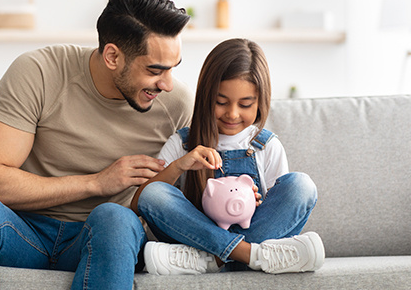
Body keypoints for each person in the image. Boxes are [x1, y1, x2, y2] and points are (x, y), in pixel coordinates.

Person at [0, 0, 193, 290]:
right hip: (22, 231)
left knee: (117, 218)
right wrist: (97, 182)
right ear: (112, 56)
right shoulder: (39, 72)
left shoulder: (177, 105)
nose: (166, 83)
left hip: (101, 237)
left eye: (173, 68)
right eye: (155, 70)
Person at [130, 38, 325, 275]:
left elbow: (277, 213)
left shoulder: (267, 146)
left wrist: (257, 202)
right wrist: (180, 166)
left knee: (301, 185)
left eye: (245, 104)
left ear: (260, 102)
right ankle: (248, 256)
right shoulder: (183, 143)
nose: (232, 114)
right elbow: (140, 202)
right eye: (221, 102)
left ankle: (210, 260)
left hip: (210, 245)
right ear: (205, 97)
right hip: (194, 236)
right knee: (154, 192)